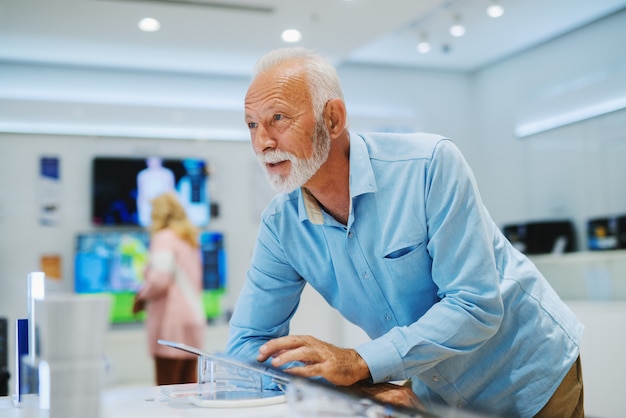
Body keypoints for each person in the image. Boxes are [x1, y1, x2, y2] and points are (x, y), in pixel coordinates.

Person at [225, 47, 585, 417]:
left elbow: (474, 305)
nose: (262, 143)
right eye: (252, 124)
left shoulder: (429, 165)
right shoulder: (281, 224)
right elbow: (246, 345)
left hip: (526, 373)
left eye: (278, 118)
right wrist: (350, 379)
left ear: (333, 119)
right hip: (434, 392)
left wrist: (358, 362)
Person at [133, 191, 205, 386]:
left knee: (166, 391)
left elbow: (159, 280)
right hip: (194, 319)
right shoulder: (189, 240)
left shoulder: (164, 238)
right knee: (189, 390)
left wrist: (140, 297)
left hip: (171, 324)